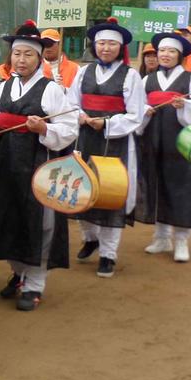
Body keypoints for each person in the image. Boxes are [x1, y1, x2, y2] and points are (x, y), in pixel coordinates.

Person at [0, 21, 79, 310]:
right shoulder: (5, 85)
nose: (21, 60)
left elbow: (69, 128)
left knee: (37, 223)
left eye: (28, 55)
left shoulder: (51, 90)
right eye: (17, 54)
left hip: (37, 164)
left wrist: (44, 130)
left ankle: (34, 284)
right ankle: (18, 273)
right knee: (9, 218)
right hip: (6, 163)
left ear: (39, 58)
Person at [66, 18, 146, 278]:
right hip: (85, 139)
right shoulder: (83, 71)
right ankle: (90, 238)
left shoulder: (130, 75)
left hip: (115, 143)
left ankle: (108, 254)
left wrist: (107, 123)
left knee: (111, 195)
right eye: (101, 43)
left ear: (120, 47)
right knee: (82, 189)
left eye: (111, 43)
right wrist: (78, 115)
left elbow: (136, 114)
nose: (105, 48)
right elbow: (71, 102)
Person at [137, 31, 191, 262]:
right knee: (156, 184)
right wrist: (144, 112)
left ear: (180, 55)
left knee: (181, 187)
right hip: (152, 140)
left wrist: (185, 105)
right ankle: (161, 237)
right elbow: (135, 107)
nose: (165, 55)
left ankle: (181, 240)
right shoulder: (148, 79)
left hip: (179, 141)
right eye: (162, 51)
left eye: (171, 51)